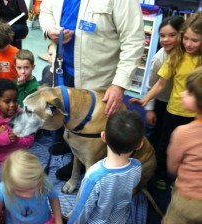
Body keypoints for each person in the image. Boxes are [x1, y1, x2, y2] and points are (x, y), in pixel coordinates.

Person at [39, 0, 144, 179]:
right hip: (63, 70)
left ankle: (79, 162)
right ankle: (70, 146)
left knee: (90, 128)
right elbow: (45, 10)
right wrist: (49, 29)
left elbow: (133, 41)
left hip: (97, 80)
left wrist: (119, 84)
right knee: (66, 114)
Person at [129, 12, 202, 189]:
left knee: (192, 149)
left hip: (196, 115)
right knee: (164, 146)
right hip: (174, 110)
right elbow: (160, 83)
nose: (188, 44)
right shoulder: (177, 55)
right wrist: (145, 100)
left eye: (195, 40)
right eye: (186, 39)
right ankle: (161, 176)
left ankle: (180, 178)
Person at [68, 110, 143, 224]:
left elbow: (82, 210)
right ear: (140, 144)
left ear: (103, 137)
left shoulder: (94, 176)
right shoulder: (137, 166)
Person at [144, 16, 185, 190]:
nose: (165, 40)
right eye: (162, 35)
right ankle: (153, 170)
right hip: (161, 101)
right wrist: (150, 109)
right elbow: (151, 84)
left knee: (176, 139)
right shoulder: (159, 58)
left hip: (181, 106)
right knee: (158, 137)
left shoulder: (188, 56)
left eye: (171, 35)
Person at [0, 149, 63, 224]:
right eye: (19, 190)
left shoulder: (43, 183)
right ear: (8, 183)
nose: (27, 195)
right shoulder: (3, 189)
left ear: (39, 178)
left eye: (31, 188)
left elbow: (54, 199)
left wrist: (59, 220)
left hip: (44, 221)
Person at [162, 67, 202, 223]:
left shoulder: (183, 132)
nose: (182, 93)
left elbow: (172, 168)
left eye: (189, 92)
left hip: (187, 200)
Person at [0, 78, 34, 183]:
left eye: (15, 100)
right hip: (0, 161)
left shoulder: (22, 116)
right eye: (7, 101)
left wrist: (16, 139)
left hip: (19, 163)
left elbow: (29, 141)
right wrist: (3, 138)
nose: (12, 105)